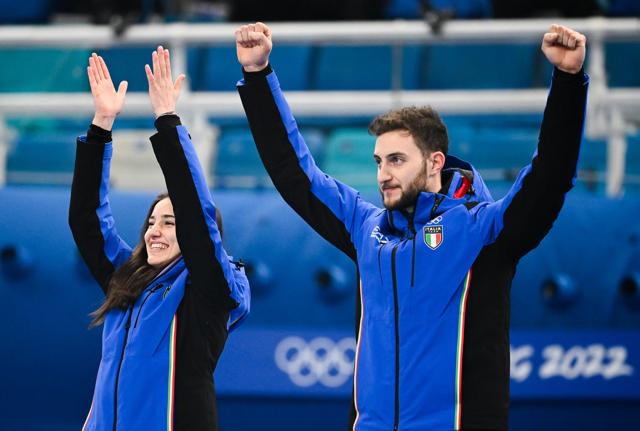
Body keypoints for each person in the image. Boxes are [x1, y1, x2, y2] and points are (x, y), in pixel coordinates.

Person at [235, 22, 587, 430]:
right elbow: (295, 174)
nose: (383, 173)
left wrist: (567, 81)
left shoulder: (482, 231)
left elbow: (550, 178)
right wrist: (258, 76)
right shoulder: (365, 228)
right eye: (379, 161)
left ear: (435, 162)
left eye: (397, 160)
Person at [69, 48, 250, 431]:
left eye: (169, 223)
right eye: (152, 222)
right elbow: (86, 219)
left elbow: (197, 216)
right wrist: (102, 125)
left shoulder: (211, 288)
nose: (154, 231)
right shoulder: (127, 278)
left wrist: (168, 121)